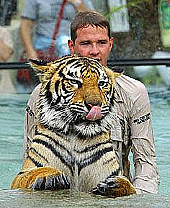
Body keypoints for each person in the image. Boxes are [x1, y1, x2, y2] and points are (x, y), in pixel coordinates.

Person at [23, 11, 160, 194]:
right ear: (72, 46)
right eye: (86, 43)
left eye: (101, 43)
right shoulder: (43, 93)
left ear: (110, 44)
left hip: (110, 197)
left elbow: (146, 163)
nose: (95, 51)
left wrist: (139, 200)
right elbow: (30, 158)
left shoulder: (134, 92)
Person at [19, 0, 95, 60]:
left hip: (71, 44)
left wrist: (77, 3)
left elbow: (94, 22)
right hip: (43, 44)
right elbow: (25, 25)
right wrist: (30, 51)